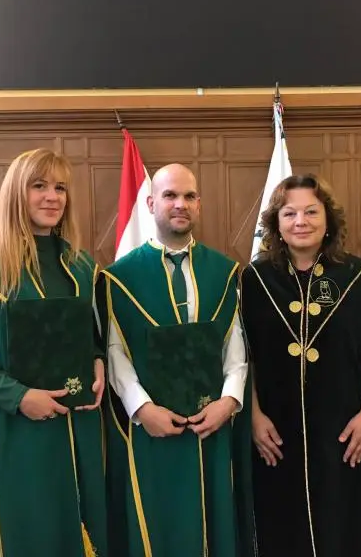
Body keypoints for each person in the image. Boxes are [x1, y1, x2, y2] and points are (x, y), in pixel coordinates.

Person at [0, 148, 109, 557]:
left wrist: (98, 361)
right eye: (39, 186)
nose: (52, 197)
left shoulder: (81, 266)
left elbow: (89, 336)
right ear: (16, 192)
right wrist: (19, 396)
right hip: (13, 429)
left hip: (76, 424)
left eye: (60, 188)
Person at [100, 163, 254, 557]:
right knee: (158, 525)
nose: (180, 204)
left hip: (212, 424)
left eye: (188, 196)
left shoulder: (225, 272)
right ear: (151, 203)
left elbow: (235, 347)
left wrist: (229, 402)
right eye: (170, 195)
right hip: (151, 429)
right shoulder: (119, 277)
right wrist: (142, 409)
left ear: (199, 204)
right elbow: (115, 352)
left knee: (214, 522)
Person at [240, 173, 361, 557]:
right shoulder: (255, 279)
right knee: (279, 527)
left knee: (340, 525)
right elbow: (244, 355)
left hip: (343, 430)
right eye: (289, 213)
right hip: (275, 431)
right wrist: (253, 416)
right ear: (276, 223)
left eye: (311, 212)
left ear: (328, 219)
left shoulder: (359, 276)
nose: (300, 221)